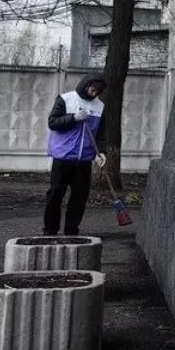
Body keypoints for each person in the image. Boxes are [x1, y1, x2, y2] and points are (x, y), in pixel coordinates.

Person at [44, 72, 107, 236]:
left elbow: (101, 134)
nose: (95, 94)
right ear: (86, 86)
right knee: (55, 195)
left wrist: (102, 153)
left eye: (98, 92)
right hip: (63, 157)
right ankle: (50, 231)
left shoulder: (100, 107)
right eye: (93, 90)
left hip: (84, 160)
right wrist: (73, 118)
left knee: (79, 198)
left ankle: (72, 231)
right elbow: (53, 123)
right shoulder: (66, 99)